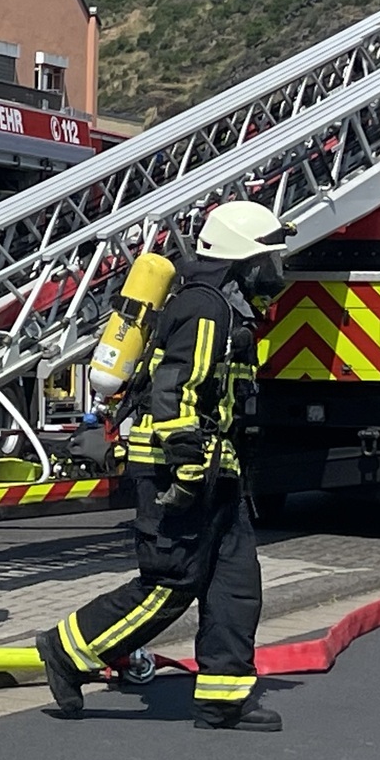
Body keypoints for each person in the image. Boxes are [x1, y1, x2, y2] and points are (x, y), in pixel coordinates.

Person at [35, 200, 293, 731]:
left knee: (234, 585)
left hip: (217, 471)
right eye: (268, 259)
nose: (275, 271)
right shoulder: (205, 308)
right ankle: (68, 650)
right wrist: (186, 466)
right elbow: (176, 389)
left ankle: (224, 697)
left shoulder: (228, 308)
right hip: (177, 472)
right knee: (170, 582)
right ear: (243, 260)